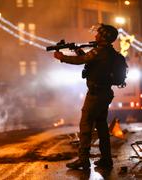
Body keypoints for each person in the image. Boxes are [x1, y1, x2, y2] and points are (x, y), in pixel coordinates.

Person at [53, 24, 118, 170]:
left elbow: (81, 61)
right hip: (104, 93)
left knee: (86, 126)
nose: (95, 36)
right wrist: (77, 50)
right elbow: (88, 59)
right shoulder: (108, 52)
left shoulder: (101, 51)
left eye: (98, 34)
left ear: (104, 37)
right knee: (101, 127)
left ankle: (83, 160)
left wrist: (61, 57)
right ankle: (106, 159)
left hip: (96, 94)